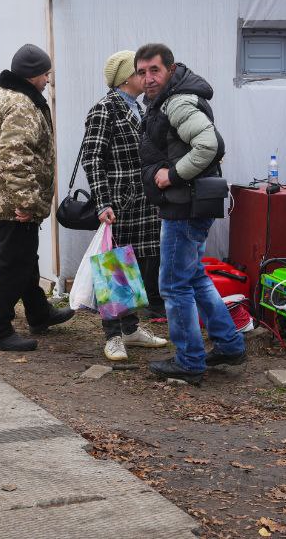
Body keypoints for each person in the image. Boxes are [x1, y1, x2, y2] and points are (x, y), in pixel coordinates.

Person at [136, 43, 244, 385]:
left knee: (173, 284)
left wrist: (174, 174)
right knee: (194, 276)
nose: (148, 78)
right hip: (188, 204)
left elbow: (209, 144)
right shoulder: (165, 101)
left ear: (170, 69)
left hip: (183, 206)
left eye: (155, 70)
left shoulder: (178, 101)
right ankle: (229, 344)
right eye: (142, 72)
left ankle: (189, 360)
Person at [0, 44, 75, 351]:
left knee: (25, 260)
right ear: (33, 76)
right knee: (13, 264)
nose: (48, 80)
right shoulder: (20, 104)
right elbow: (14, 156)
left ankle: (38, 312)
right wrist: (26, 201)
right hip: (12, 203)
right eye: (46, 74)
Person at [81, 50, 169, 361]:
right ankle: (113, 336)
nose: (145, 77)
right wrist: (103, 201)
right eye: (138, 71)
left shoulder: (141, 108)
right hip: (119, 202)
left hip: (143, 203)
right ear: (125, 78)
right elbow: (92, 159)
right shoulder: (106, 109)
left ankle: (130, 329)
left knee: (133, 266)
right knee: (114, 267)